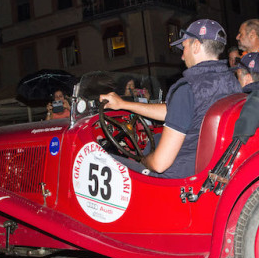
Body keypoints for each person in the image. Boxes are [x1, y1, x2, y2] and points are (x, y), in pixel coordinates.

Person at [99, 19, 241, 178]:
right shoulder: (233, 84)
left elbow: (160, 164)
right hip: (211, 170)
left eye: (184, 47)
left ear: (195, 46)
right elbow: (178, 111)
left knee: (102, 159)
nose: (182, 56)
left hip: (177, 178)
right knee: (157, 138)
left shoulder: (188, 89)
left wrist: (143, 161)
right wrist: (124, 104)